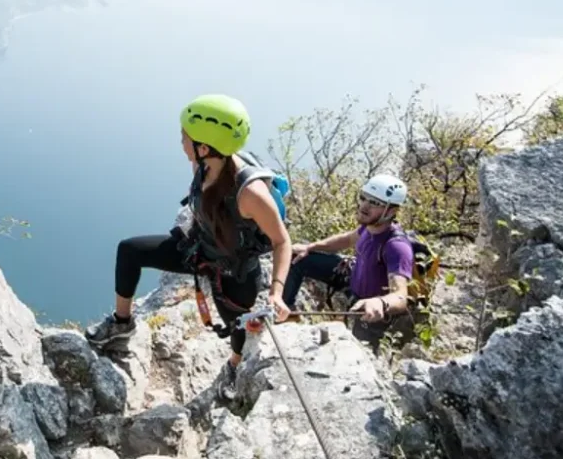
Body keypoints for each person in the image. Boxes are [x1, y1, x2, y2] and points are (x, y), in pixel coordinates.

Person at [84, 93, 293, 394]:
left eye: (185, 137)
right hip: (199, 250)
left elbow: (281, 240)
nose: (181, 143)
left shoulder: (251, 193)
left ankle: (234, 366)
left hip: (234, 271)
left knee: (238, 329)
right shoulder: (204, 166)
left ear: (204, 147)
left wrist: (276, 293)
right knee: (129, 250)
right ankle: (121, 323)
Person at [280, 174, 415, 347]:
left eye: (375, 203)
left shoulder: (396, 246)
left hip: (369, 304)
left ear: (391, 211)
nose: (364, 206)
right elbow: (347, 239)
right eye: (363, 198)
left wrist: (380, 302)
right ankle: (286, 314)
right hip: (352, 278)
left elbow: (401, 296)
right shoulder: (370, 227)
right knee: (297, 259)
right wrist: (311, 247)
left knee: (359, 348)